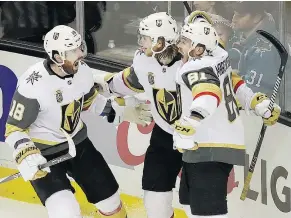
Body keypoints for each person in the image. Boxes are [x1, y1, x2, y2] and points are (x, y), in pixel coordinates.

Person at [4, 25, 152, 218]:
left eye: (79, 47)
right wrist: (25, 154)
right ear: (57, 57)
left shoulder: (82, 72)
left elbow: (90, 102)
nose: (81, 54)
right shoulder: (33, 84)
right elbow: (13, 129)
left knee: (111, 203)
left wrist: (121, 112)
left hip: (78, 145)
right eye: (73, 51)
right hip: (44, 154)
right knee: (65, 211)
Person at [174, 21, 281, 218]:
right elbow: (232, 83)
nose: (179, 44)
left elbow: (208, 93)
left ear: (198, 49)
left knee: (208, 213)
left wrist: (192, 120)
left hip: (209, 148)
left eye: (184, 41)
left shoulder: (197, 67)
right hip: (204, 148)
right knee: (191, 204)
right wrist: (255, 102)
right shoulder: (216, 59)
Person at [95, 12, 183, 218]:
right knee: (155, 202)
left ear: (160, 42)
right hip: (165, 136)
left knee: (197, 203)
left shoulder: (190, 63)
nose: (140, 42)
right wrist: (101, 84)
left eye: (145, 38)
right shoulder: (144, 61)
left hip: (198, 140)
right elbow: (129, 81)